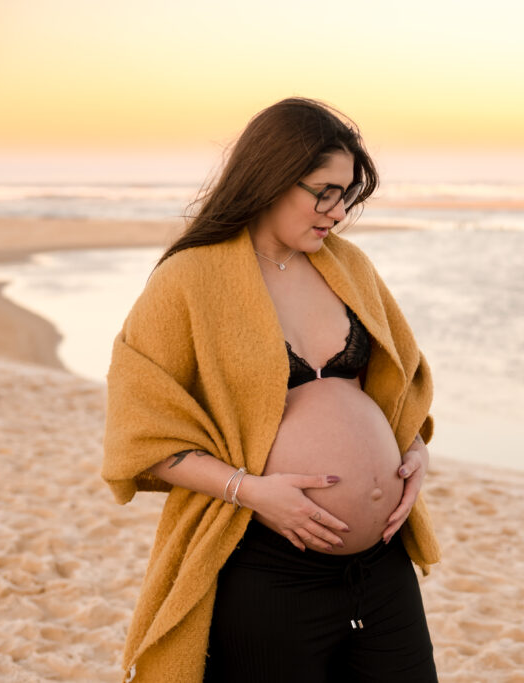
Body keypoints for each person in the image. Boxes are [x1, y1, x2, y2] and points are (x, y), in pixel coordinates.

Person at [102, 97, 440, 682]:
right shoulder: (189, 280)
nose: (337, 212)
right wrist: (250, 492)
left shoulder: (350, 267)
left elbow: (399, 387)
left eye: (347, 195)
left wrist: (412, 454)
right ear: (272, 176)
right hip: (269, 567)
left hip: (382, 569)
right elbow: (141, 431)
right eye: (324, 191)